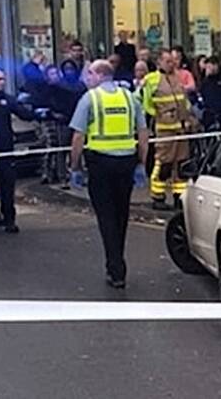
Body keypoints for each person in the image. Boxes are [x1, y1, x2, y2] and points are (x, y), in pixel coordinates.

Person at [69, 60, 148, 289]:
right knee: (121, 215)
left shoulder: (90, 99)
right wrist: (141, 163)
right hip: (126, 164)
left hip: (101, 164)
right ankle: (116, 263)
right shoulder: (129, 98)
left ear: (99, 75)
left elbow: (77, 137)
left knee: (106, 217)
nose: (87, 78)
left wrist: (75, 167)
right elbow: (143, 133)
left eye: (90, 73)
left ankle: (116, 267)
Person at [0, 68, 42, 234]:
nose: (2, 82)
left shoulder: (6, 99)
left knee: (7, 187)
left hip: (5, 150)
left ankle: (9, 221)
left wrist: (39, 113)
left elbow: (24, 114)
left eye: (4, 79)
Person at [142, 49, 197, 210]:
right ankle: (158, 196)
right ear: (159, 62)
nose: (172, 64)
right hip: (165, 130)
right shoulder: (151, 80)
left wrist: (189, 117)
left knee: (180, 164)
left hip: (181, 129)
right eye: (168, 61)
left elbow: (183, 101)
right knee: (163, 163)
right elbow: (144, 103)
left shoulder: (178, 78)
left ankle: (179, 196)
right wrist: (159, 114)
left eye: (173, 61)